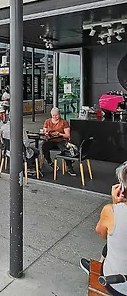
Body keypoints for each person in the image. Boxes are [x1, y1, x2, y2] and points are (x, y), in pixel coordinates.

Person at [80, 162, 127, 296]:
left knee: (111, 240)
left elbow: (102, 233)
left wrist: (115, 205)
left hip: (117, 285)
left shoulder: (110, 211)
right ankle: (99, 264)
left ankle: (97, 268)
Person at [41, 107, 75, 176]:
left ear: (59, 114)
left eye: (56, 115)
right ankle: (50, 163)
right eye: (53, 115)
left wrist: (59, 134)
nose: (54, 117)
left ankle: (69, 167)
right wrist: (46, 133)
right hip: (51, 140)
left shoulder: (64, 122)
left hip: (61, 140)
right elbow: (44, 130)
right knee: (44, 146)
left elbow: (68, 135)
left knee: (64, 149)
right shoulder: (48, 121)